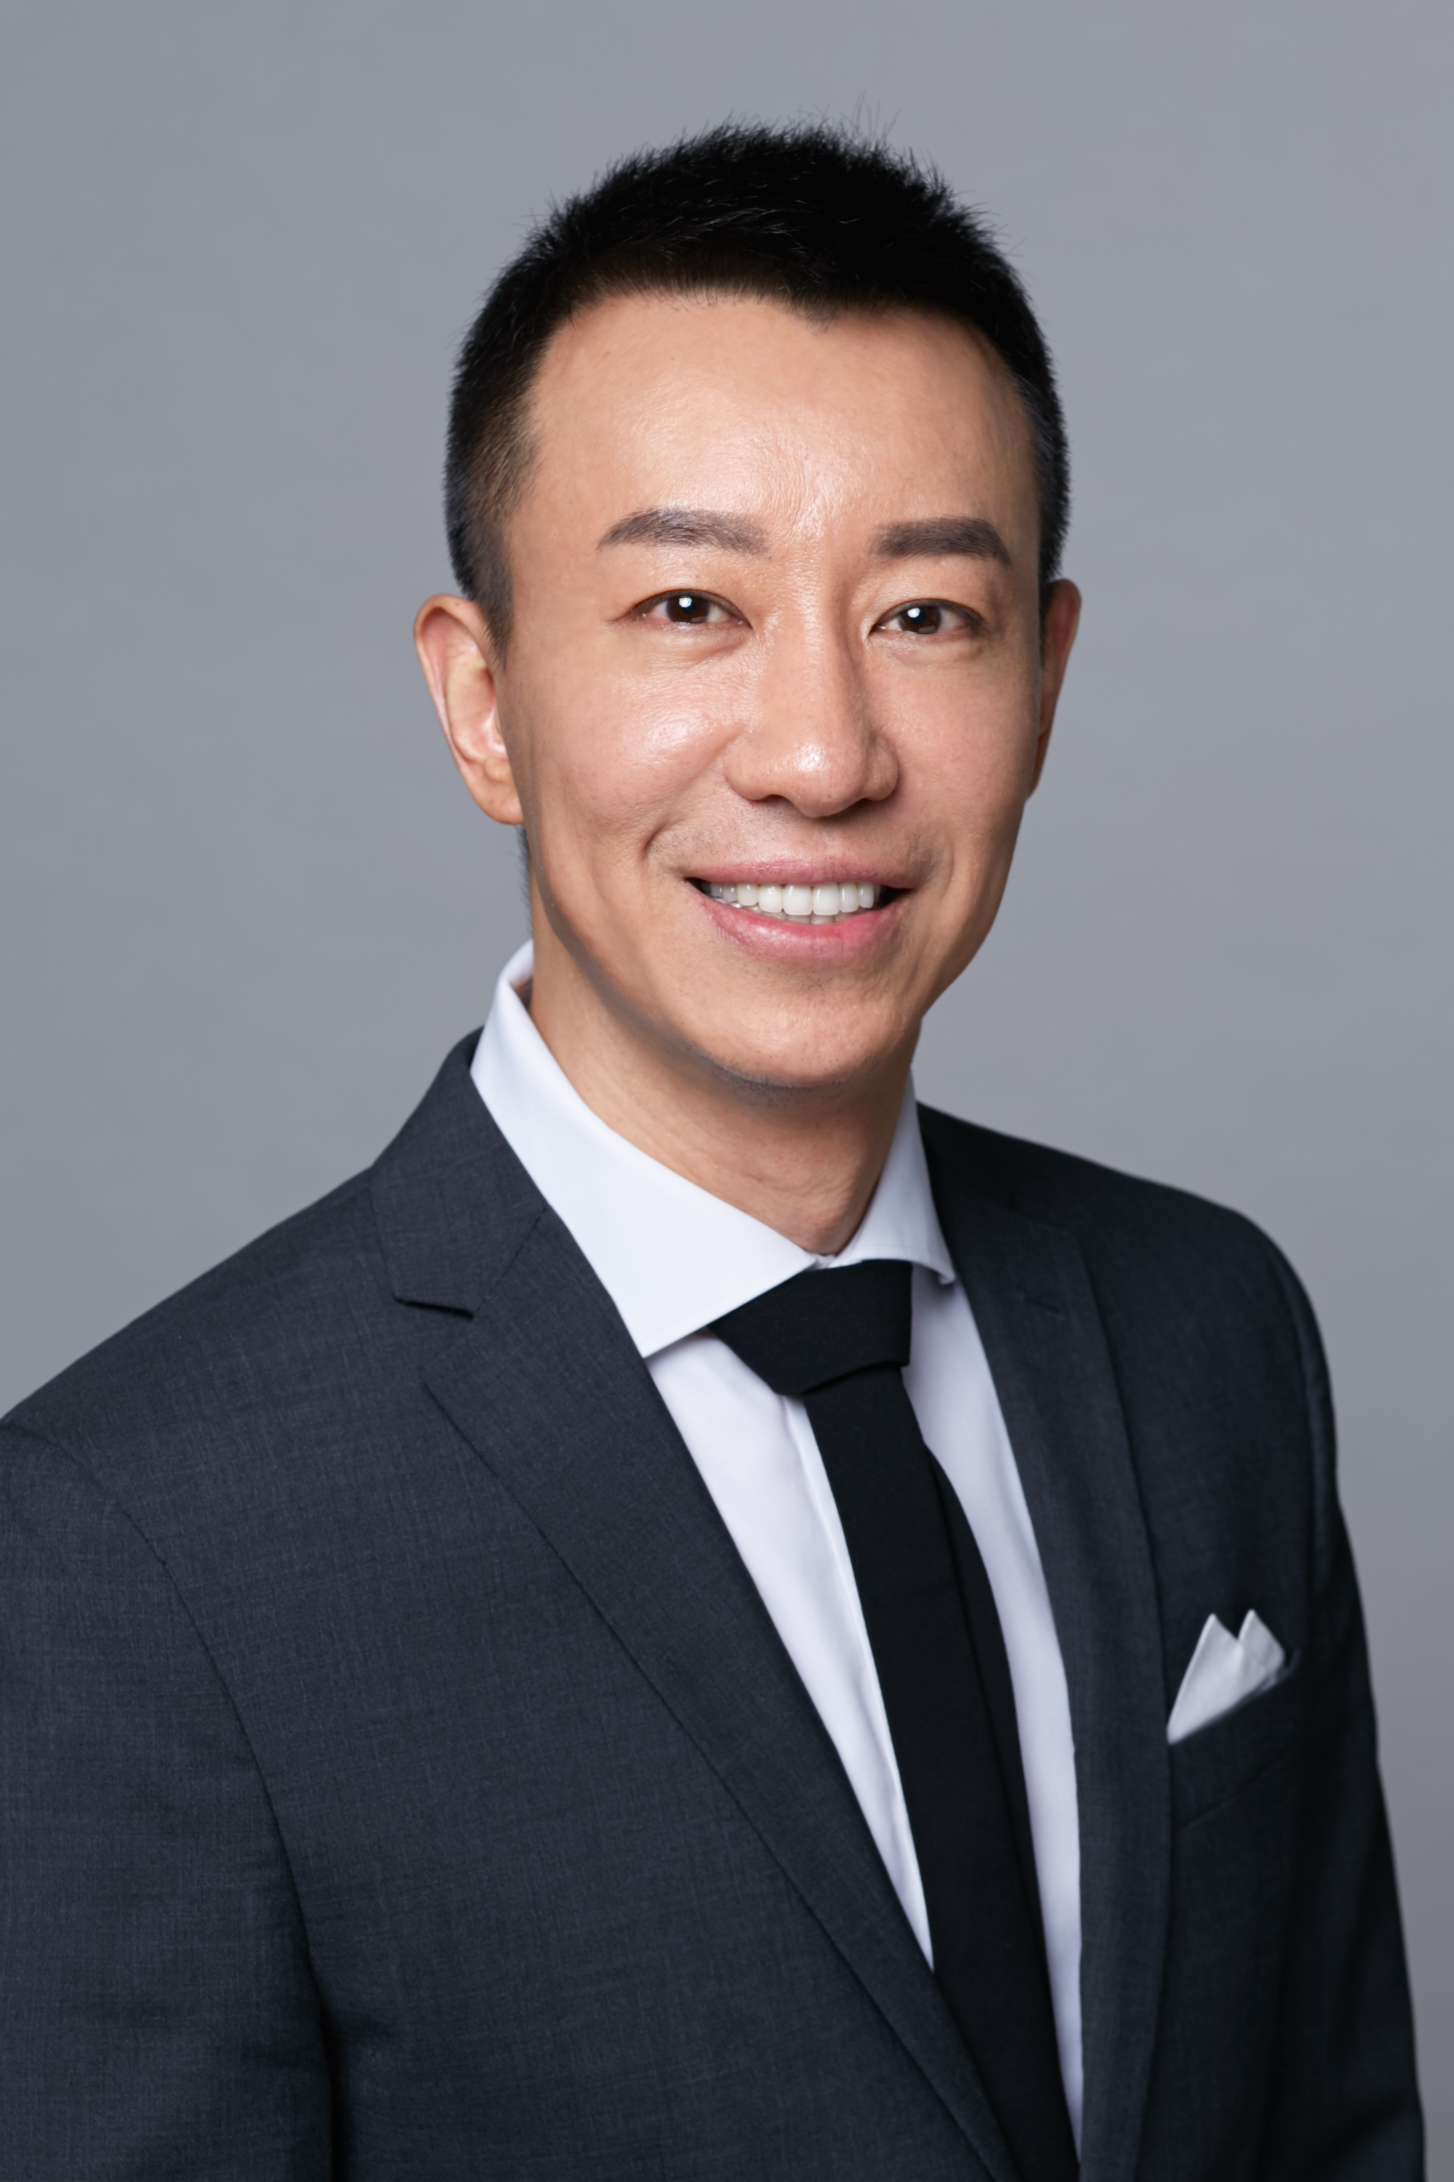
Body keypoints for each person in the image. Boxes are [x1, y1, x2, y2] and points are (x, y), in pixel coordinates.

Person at [0, 123, 1422, 2181]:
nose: (821, 753)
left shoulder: (1208, 1332)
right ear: (482, 699)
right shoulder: (132, 1549)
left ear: (1043, 677)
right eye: (689, 603)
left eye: (924, 612)